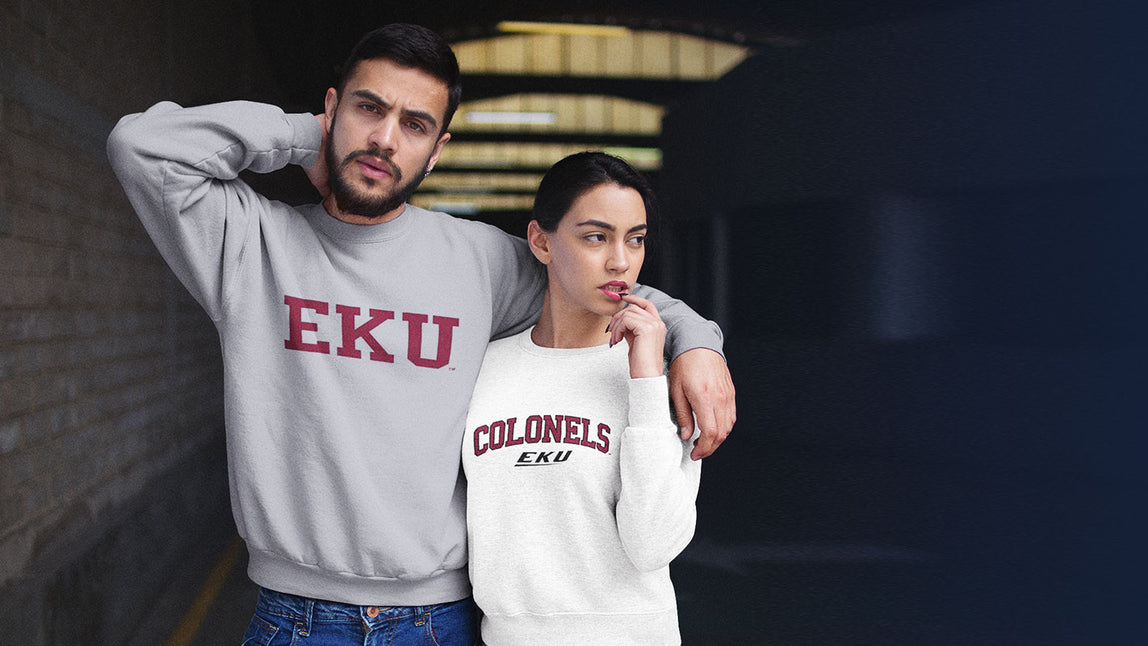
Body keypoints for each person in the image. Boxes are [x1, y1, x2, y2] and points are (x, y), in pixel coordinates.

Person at [106, 23, 734, 644]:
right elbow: (142, 147)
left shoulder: (481, 260)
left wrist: (698, 342)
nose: (383, 139)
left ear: (436, 151)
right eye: (367, 109)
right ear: (331, 109)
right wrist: (306, 140)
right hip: (296, 619)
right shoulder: (247, 243)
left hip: (440, 621)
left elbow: (604, 284)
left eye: (414, 125)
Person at [463, 152, 700, 645]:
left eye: (635, 239)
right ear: (540, 241)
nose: (620, 261)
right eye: (596, 236)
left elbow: (651, 544)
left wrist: (643, 380)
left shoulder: (667, 378)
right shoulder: (480, 368)